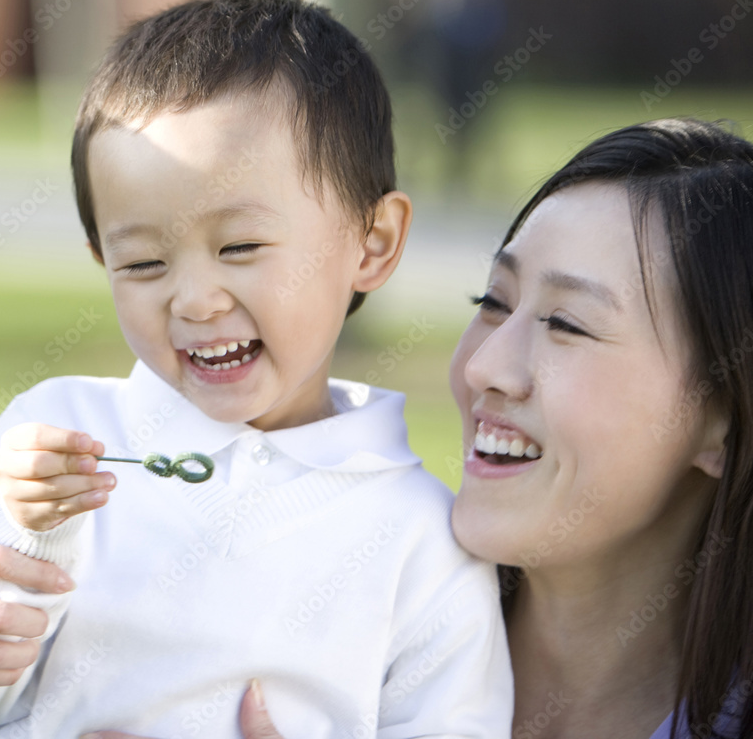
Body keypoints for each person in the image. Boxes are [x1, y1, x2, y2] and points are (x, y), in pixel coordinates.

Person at [0, 0, 512, 738]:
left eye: (240, 247)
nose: (195, 300)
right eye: (142, 263)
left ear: (372, 243)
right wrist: (31, 535)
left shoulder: (423, 537)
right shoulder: (59, 443)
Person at [192, 117, 753, 739]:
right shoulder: (317, 619)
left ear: (724, 424)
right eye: (493, 304)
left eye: (567, 324)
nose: (484, 366)